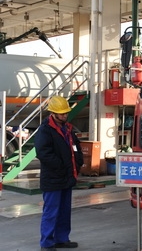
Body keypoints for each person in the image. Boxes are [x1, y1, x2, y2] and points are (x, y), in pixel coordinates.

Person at [35, 95, 84, 251]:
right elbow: (43, 153)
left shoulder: (68, 129)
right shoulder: (45, 130)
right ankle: (47, 243)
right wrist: (62, 167)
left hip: (67, 177)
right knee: (51, 211)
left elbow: (76, 147)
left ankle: (62, 239)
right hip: (53, 179)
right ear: (53, 113)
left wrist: (78, 162)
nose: (64, 115)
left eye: (66, 113)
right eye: (62, 113)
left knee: (64, 211)